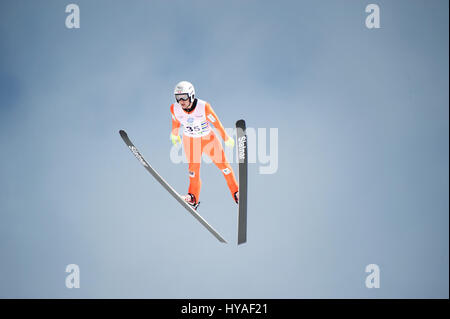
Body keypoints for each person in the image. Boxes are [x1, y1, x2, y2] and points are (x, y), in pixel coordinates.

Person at [169, 81, 239, 209]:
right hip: (190, 141)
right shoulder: (174, 108)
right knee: (193, 172)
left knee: (224, 167)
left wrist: (226, 138)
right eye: (178, 98)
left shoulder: (203, 107)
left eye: (184, 97)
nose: (181, 101)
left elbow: (216, 123)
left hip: (208, 139)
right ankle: (193, 198)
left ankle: (236, 192)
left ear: (191, 95)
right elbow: (175, 121)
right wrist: (174, 134)